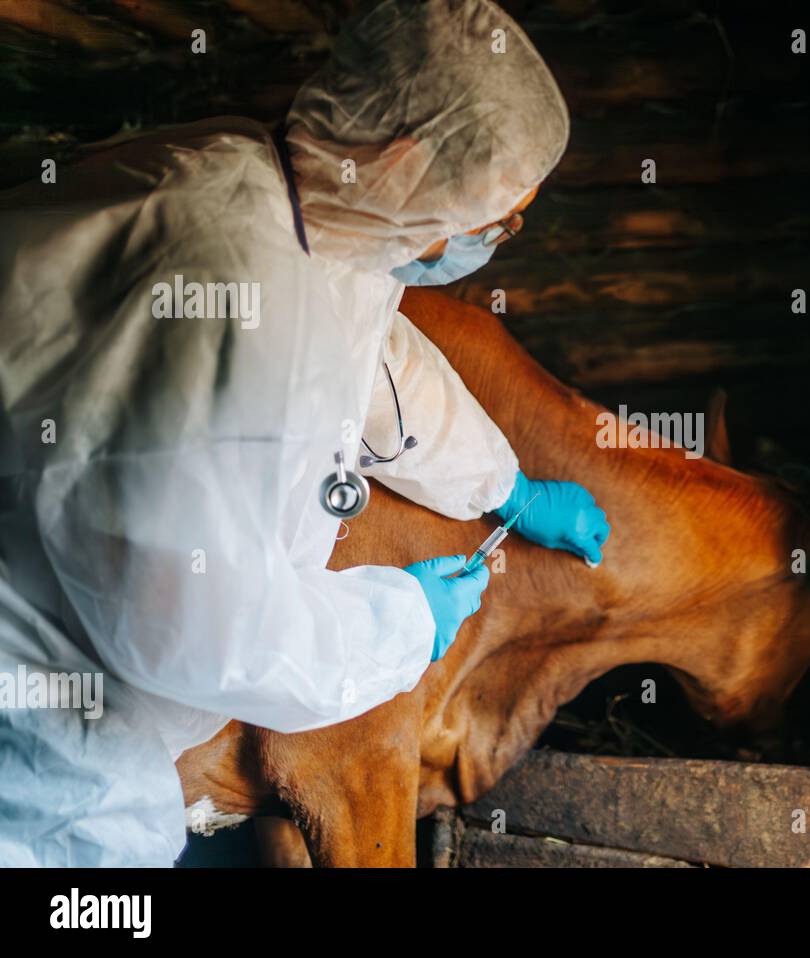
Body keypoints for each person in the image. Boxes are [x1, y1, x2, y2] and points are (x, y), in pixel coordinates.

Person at [0, 0, 607, 867]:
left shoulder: (267, 185)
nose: (492, 238)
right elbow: (195, 631)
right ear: (404, 162)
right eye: (497, 216)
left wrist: (501, 485)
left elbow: (370, 354)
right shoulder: (228, 300)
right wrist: (403, 624)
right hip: (36, 711)